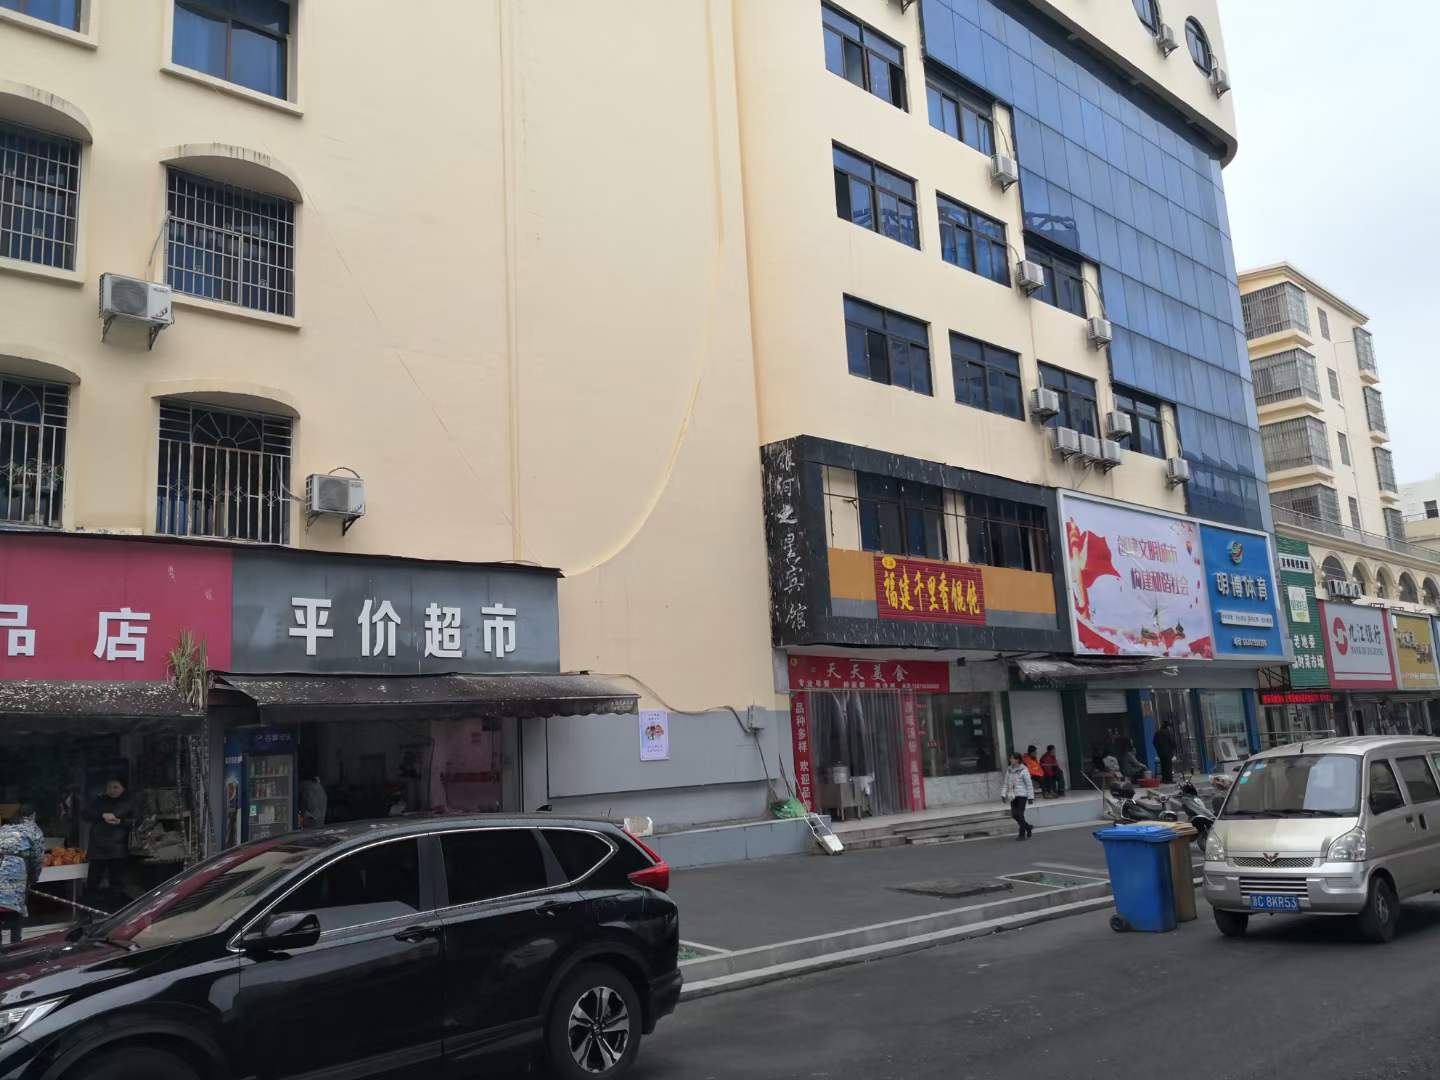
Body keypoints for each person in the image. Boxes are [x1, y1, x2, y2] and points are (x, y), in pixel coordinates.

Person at [83, 778, 135, 909]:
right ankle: (88, 910)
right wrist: (102, 815)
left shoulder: (129, 801)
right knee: (93, 881)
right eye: (109, 787)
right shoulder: (99, 801)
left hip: (118, 849)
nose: (112, 790)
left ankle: (115, 910)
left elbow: (138, 821)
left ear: (123, 788)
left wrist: (121, 822)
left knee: (116, 882)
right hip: (98, 848)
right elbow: (85, 814)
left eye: (115, 787)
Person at [0, 806, 44, 946]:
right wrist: (33, 878)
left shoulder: (4, 828)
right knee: (16, 911)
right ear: (33, 815)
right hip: (16, 872)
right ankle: (15, 945)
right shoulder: (33, 830)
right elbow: (37, 859)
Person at [1001, 752, 1035, 841]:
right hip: (1012, 795)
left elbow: (1029, 785)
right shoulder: (1009, 770)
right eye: (1010, 758)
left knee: (1020, 814)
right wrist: (1003, 794)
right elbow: (1006, 783)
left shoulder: (1024, 770)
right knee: (1015, 815)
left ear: (1017, 760)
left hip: (1022, 795)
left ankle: (1022, 835)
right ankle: (1028, 827)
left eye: (1012, 758)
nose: (1010, 759)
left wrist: (1031, 797)